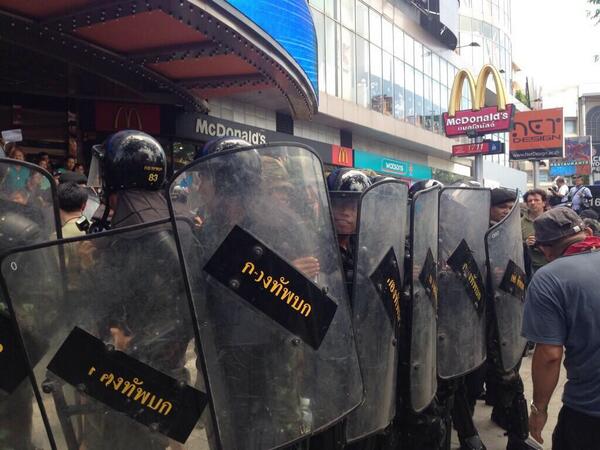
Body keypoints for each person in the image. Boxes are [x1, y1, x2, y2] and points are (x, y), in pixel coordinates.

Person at [522, 207, 600, 450]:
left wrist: (539, 409)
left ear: (545, 249)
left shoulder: (549, 278)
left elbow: (549, 356)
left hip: (589, 413)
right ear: (587, 232)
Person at [521, 189, 547, 273]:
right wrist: (525, 243)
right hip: (529, 266)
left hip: (550, 264)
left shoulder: (553, 219)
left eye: (536, 200)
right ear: (527, 204)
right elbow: (514, 244)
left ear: (544, 203)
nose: (533, 203)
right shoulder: (520, 223)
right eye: (530, 201)